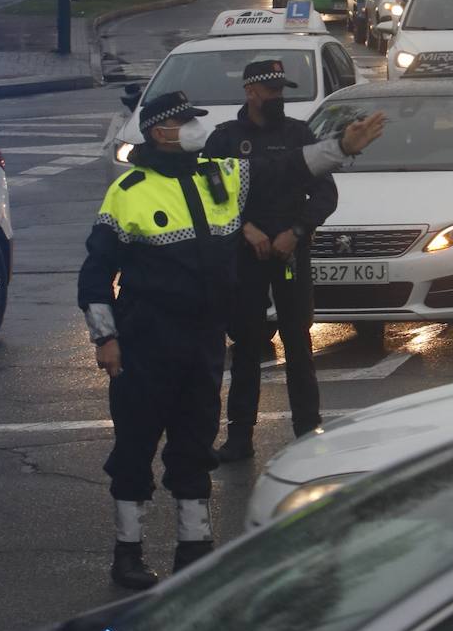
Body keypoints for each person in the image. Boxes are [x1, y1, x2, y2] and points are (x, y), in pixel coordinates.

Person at [77, 91, 246, 590]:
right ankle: (127, 554)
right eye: (182, 122)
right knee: (134, 446)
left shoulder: (217, 176)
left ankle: (194, 550)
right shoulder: (129, 190)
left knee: (195, 444)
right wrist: (105, 339)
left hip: (202, 339)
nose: (194, 128)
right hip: (146, 339)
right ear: (157, 131)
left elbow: (281, 173)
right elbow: (95, 273)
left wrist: (340, 147)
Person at [205, 60, 384, 462]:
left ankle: (308, 429)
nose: (278, 98)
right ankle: (240, 437)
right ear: (250, 92)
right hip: (246, 254)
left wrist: (297, 232)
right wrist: (245, 228)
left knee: (298, 342)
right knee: (247, 344)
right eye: (270, 91)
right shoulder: (225, 139)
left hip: (290, 252)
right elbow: (211, 196)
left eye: (281, 91)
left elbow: (325, 194)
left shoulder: (297, 134)